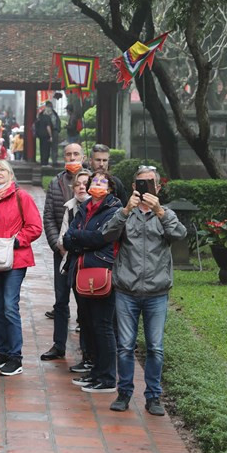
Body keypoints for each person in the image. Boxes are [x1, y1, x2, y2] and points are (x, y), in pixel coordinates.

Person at [101, 165, 187, 415]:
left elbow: (179, 235)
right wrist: (125, 210)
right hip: (126, 290)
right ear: (134, 187)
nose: (145, 187)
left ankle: (153, 397)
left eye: (150, 183)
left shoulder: (165, 214)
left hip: (156, 292)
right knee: (125, 346)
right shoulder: (124, 213)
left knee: (155, 347)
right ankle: (124, 393)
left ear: (158, 187)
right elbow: (107, 235)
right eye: (141, 183)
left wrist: (160, 211)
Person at [0, 160, 43, 376]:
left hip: (14, 259)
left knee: (9, 305)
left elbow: (35, 227)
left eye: (2, 170)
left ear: (11, 174)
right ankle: (2, 351)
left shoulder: (21, 197)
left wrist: (15, 241)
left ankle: (15, 356)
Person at [62, 172, 122, 393]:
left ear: (111, 188)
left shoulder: (114, 210)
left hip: (102, 271)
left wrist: (81, 237)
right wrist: (82, 238)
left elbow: (102, 238)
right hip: (82, 270)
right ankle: (95, 372)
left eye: (101, 182)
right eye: (93, 181)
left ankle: (107, 377)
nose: (96, 185)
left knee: (103, 325)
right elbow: (68, 237)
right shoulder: (84, 208)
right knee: (88, 324)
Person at [40, 169, 90, 362]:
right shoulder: (69, 206)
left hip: (85, 260)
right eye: (77, 184)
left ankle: (87, 351)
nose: (81, 187)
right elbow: (52, 222)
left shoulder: (98, 208)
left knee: (84, 304)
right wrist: (59, 247)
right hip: (63, 256)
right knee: (61, 300)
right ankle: (59, 345)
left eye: (85, 184)